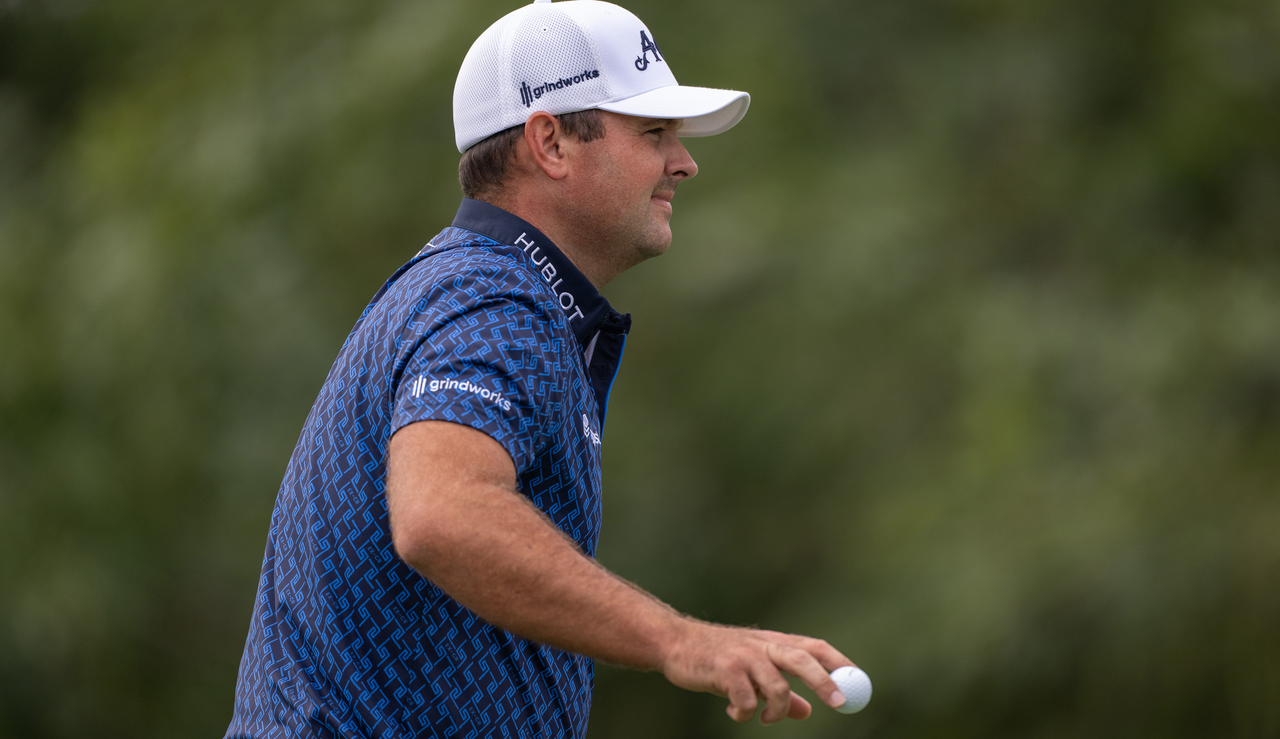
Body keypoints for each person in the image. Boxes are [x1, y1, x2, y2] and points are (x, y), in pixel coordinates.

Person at [227, 1, 856, 736]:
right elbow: (441, 513)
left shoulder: (487, 290)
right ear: (551, 142)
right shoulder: (491, 298)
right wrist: (681, 639)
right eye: (653, 133)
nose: (683, 162)